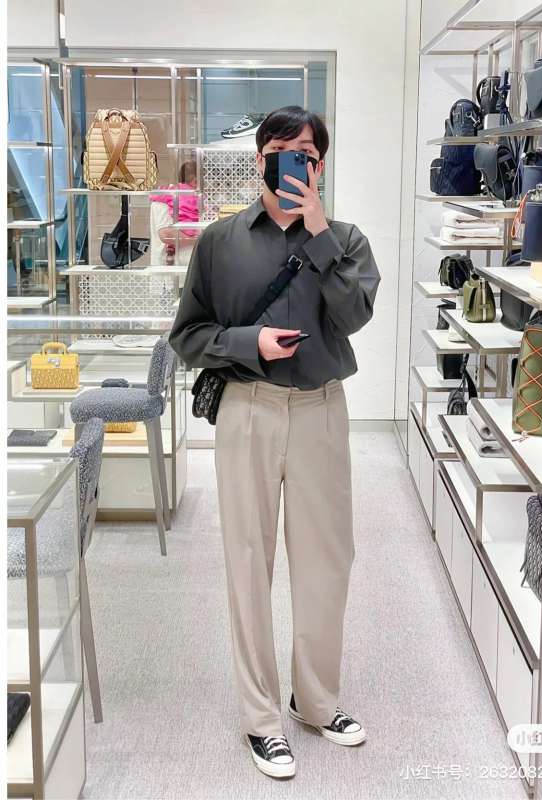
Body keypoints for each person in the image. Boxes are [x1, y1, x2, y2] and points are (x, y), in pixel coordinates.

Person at [169, 106, 381, 779]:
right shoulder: (219, 241)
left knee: (327, 560)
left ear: (321, 164)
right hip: (248, 410)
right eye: (282, 152)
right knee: (247, 560)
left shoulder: (346, 240)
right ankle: (261, 719)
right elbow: (187, 335)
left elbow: (355, 315)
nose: (295, 163)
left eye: (307, 154)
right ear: (259, 159)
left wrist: (317, 232)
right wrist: (248, 343)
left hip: (321, 411)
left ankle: (315, 701)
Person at [149, 160, 202, 265]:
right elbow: (167, 235)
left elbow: (157, 195)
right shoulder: (164, 203)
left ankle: (170, 252)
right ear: (195, 180)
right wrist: (200, 239)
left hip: (185, 261)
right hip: (171, 268)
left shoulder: (171, 193)